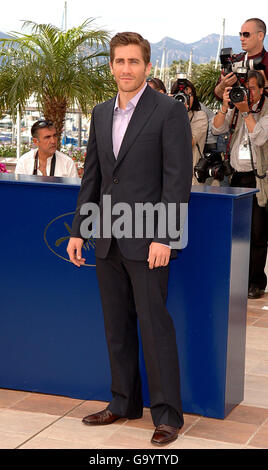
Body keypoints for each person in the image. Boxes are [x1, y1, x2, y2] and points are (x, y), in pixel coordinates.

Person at [67, 31, 192, 446]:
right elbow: (94, 176)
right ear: (111, 66)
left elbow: (177, 179)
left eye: (133, 62)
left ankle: (168, 416)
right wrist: (79, 231)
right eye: (119, 61)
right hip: (107, 238)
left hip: (149, 239)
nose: (126, 69)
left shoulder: (168, 111)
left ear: (147, 66)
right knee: (116, 327)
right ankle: (123, 402)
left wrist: (165, 237)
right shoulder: (101, 113)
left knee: (155, 328)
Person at [212, 70, 268, 299]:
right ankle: (237, 280)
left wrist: (246, 112)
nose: (248, 93)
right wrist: (226, 106)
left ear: (263, 89)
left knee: (257, 234)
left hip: (258, 179)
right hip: (235, 178)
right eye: (247, 88)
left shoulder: (265, 109)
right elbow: (216, 129)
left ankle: (256, 282)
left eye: (253, 88)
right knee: (236, 233)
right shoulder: (236, 107)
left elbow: (260, 137)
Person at [215, 18, 268, 101]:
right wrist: (222, 85)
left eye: (246, 34)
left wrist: (265, 84)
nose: (241, 38)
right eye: (241, 34)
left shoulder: (266, 61)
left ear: (260, 36)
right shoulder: (234, 61)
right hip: (236, 112)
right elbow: (218, 96)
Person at [171, 78, 208, 184]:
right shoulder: (166, 115)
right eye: (182, 95)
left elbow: (188, 142)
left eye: (190, 95)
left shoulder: (199, 116)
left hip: (190, 178)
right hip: (169, 175)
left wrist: (180, 114)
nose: (186, 99)